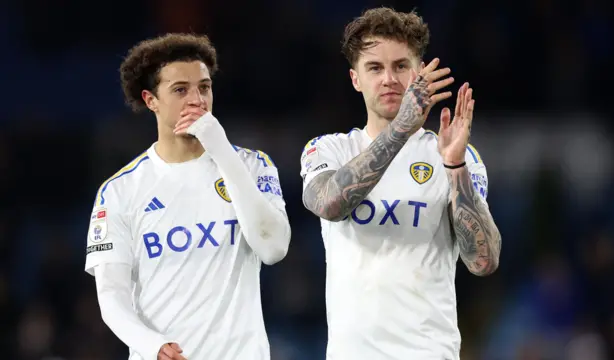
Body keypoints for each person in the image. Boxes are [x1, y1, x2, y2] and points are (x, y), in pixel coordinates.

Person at [299, 7, 502, 360]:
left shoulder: (455, 154)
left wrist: (454, 166)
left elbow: (483, 262)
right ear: (355, 79)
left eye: (401, 66)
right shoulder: (329, 149)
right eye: (375, 68)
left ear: (419, 72)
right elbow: (330, 204)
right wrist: (401, 128)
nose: (389, 79)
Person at [84, 33, 291, 360]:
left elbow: (274, 248)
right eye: (180, 90)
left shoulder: (253, 165)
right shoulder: (120, 191)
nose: (197, 99)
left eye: (204, 87)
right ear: (151, 99)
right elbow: (112, 297)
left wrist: (220, 147)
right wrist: (152, 345)